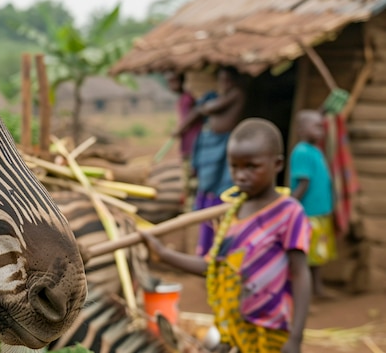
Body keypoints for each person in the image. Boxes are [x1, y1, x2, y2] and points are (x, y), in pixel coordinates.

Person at [142, 118, 312, 353]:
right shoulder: (232, 214)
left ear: (278, 164)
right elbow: (211, 267)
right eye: (234, 166)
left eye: (251, 167)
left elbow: (301, 274)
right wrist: (163, 253)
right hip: (233, 331)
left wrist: (295, 337)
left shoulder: (289, 213)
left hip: (272, 331)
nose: (241, 175)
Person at [186, 67, 247, 256]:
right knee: (208, 191)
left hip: (224, 146)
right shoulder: (220, 96)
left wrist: (204, 106)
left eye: (228, 79)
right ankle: (205, 248)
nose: (225, 83)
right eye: (222, 79)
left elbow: (210, 108)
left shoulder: (236, 94)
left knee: (223, 193)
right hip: (213, 145)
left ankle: (219, 250)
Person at [289, 109, 337, 299]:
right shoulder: (301, 152)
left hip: (320, 213)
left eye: (322, 126)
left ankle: (317, 289)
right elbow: (303, 183)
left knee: (316, 257)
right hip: (308, 215)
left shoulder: (315, 151)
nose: (321, 131)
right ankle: (303, 296)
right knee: (305, 259)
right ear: (301, 130)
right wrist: (289, 206)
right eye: (316, 126)